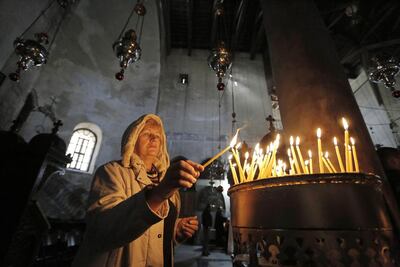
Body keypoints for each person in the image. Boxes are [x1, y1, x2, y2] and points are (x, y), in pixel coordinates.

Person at [72, 114, 204, 267]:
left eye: (158, 136)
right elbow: (103, 230)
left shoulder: (165, 181)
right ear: (132, 139)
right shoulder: (112, 172)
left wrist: (176, 230)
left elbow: (156, 235)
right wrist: (158, 194)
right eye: (147, 134)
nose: (154, 139)